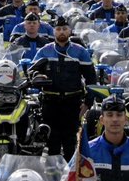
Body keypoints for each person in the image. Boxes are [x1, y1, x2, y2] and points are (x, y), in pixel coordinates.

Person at [28, 18, 97, 159]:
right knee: (51, 142)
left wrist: (88, 103)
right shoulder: (45, 51)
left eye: (65, 29)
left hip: (72, 103)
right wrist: (38, 75)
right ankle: (53, 176)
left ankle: (70, 177)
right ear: (53, 31)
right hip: (50, 102)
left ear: (70, 31)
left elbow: (91, 79)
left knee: (70, 142)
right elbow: (31, 72)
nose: (61, 32)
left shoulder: (80, 52)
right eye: (58, 29)